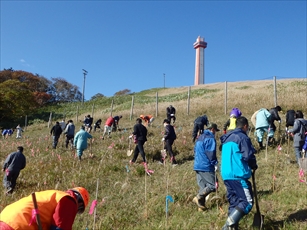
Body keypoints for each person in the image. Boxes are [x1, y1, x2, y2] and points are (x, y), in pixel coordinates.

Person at [220, 116, 258, 230]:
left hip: (226, 175)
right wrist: (253, 165)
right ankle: (227, 226)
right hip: (237, 174)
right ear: (245, 126)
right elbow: (248, 155)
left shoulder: (227, 138)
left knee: (235, 203)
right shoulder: (242, 137)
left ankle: (233, 228)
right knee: (247, 202)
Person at [0, 187, 89, 230]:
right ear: (80, 203)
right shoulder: (69, 200)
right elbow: (59, 228)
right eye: (79, 210)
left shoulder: (54, 195)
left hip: (5, 218)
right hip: (19, 225)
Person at [193, 123, 219, 211]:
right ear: (212, 129)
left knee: (203, 187)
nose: (215, 133)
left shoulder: (200, 137)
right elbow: (211, 153)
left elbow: (195, 150)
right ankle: (198, 197)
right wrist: (215, 163)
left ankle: (201, 207)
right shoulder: (210, 138)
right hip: (206, 166)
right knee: (213, 185)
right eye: (215, 131)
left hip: (197, 165)